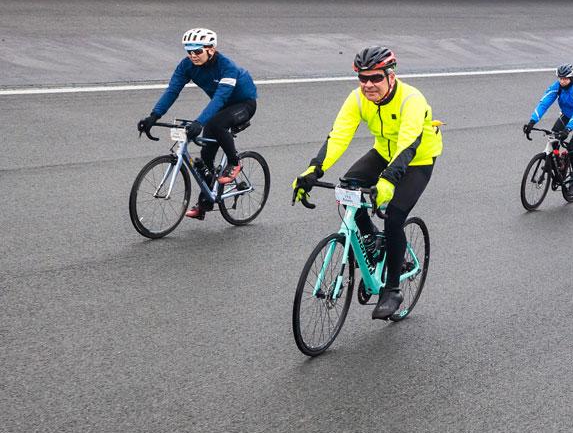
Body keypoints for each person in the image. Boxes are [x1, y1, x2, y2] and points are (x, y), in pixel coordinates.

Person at [292, 46, 442, 320]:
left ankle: (393, 288)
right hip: (384, 151)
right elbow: (339, 136)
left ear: (391, 76)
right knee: (349, 185)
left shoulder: (412, 100)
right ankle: (372, 239)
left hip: (417, 159)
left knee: (395, 216)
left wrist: (386, 182)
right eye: (363, 79)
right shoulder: (357, 99)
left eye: (375, 78)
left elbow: (408, 145)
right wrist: (313, 170)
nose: (368, 85)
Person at [138, 28, 259, 220]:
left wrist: (199, 122)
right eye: (189, 51)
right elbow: (172, 91)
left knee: (217, 125)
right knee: (205, 158)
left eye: (197, 51)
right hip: (222, 107)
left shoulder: (227, 67)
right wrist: (154, 116)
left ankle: (235, 162)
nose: (193, 55)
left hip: (243, 104)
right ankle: (205, 203)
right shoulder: (186, 66)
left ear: (211, 49)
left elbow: (220, 98)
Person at [523, 64, 573, 180]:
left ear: (571, 78)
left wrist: (568, 129)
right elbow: (544, 102)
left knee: (572, 148)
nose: (562, 81)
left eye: (565, 79)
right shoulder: (558, 86)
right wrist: (532, 122)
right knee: (554, 135)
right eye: (560, 78)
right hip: (567, 114)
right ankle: (559, 162)